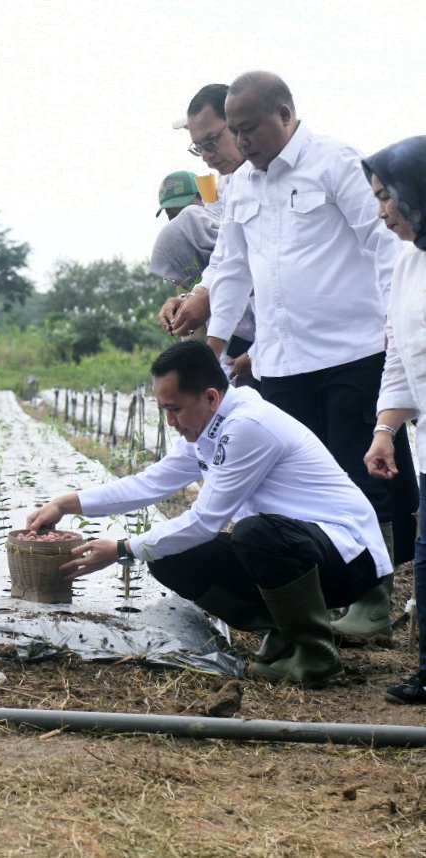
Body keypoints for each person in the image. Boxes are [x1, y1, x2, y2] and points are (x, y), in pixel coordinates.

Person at [27, 341, 388, 687]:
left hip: (349, 559)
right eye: (164, 410)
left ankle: (315, 656)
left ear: (211, 397)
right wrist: (67, 503)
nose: (170, 421)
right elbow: (148, 484)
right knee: (169, 557)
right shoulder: (206, 429)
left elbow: (204, 521)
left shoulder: (248, 426)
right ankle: (284, 629)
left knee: (255, 533)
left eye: (175, 409)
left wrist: (122, 549)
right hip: (304, 550)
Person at [198, 71, 414, 637]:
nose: (241, 142)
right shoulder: (240, 186)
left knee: (362, 476)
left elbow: (385, 243)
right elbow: (230, 269)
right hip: (280, 363)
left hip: (353, 352)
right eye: (235, 131)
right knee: (296, 486)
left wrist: (397, 326)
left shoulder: (335, 162)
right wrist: (215, 345)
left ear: (286, 114)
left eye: (249, 128)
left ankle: (373, 598)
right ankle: (313, 595)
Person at [360, 136, 426, 703]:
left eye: (387, 196)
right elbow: (400, 355)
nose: (381, 210)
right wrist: (386, 429)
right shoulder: (407, 263)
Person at [158, 83, 256, 384]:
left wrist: (256, 354)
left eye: (212, 142)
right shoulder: (232, 186)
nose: (207, 157)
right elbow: (226, 262)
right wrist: (196, 295)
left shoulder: (300, 175)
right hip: (244, 343)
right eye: (199, 148)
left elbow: (275, 274)